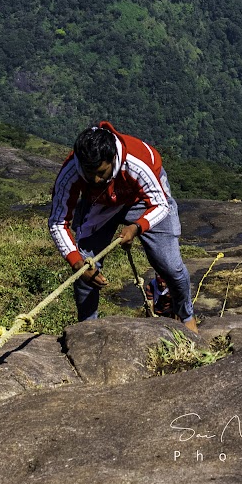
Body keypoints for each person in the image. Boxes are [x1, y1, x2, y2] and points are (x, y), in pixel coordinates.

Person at [47, 121, 197, 332]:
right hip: (100, 203)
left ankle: (186, 316)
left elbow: (160, 204)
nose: (95, 179)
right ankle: (87, 329)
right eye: (89, 173)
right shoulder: (71, 172)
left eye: (101, 172)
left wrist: (137, 227)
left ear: (113, 159)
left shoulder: (135, 163)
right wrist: (77, 264)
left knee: (170, 266)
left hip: (142, 199)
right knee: (86, 269)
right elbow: (57, 222)